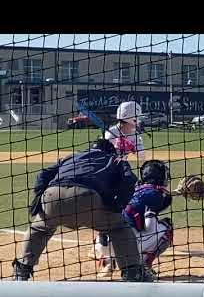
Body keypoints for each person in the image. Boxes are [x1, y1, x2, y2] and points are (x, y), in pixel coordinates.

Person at [12, 139, 153, 282]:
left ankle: (21, 270)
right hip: (87, 198)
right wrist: (117, 205)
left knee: (38, 229)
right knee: (119, 228)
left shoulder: (73, 157)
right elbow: (130, 180)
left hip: (52, 196)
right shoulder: (115, 159)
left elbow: (42, 175)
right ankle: (132, 272)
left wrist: (38, 201)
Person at [89, 101, 147, 277]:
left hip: (123, 180)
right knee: (103, 213)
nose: (137, 122)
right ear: (131, 118)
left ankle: (111, 251)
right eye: (136, 118)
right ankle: (105, 258)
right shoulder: (110, 133)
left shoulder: (136, 136)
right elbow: (103, 155)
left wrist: (133, 149)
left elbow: (143, 159)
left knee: (122, 215)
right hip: (106, 178)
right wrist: (117, 146)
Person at [103, 160, 175, 279]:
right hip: (126, 243)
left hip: (104, 242)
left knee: (123, 223)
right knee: (167, 227)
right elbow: (150, 227)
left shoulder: (135, 188)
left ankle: (107, 261)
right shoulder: (154, 194)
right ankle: (143, 265)